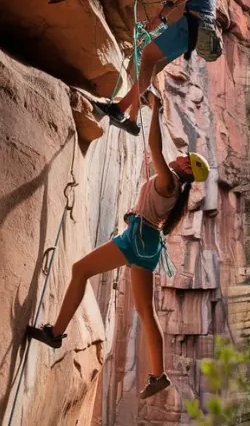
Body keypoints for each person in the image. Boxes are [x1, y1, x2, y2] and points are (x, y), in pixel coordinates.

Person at [26, 92, 211, 400]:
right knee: (145, 310)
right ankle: (157, 374)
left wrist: (157, 110)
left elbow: (154, 148)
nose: (181, 158)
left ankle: (55, 333)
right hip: (145, 240)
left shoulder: (170, 181)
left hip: (136, 242)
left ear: (189, 170)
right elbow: (150, 206)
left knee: (80, 269)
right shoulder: (174, 187)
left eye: (186, 160)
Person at [93, 0, 218, 136]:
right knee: (148, 64)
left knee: (148, 56)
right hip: (196, 32)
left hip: (190, 26)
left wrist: (161, 15)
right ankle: (131, 118)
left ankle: (119, 112)